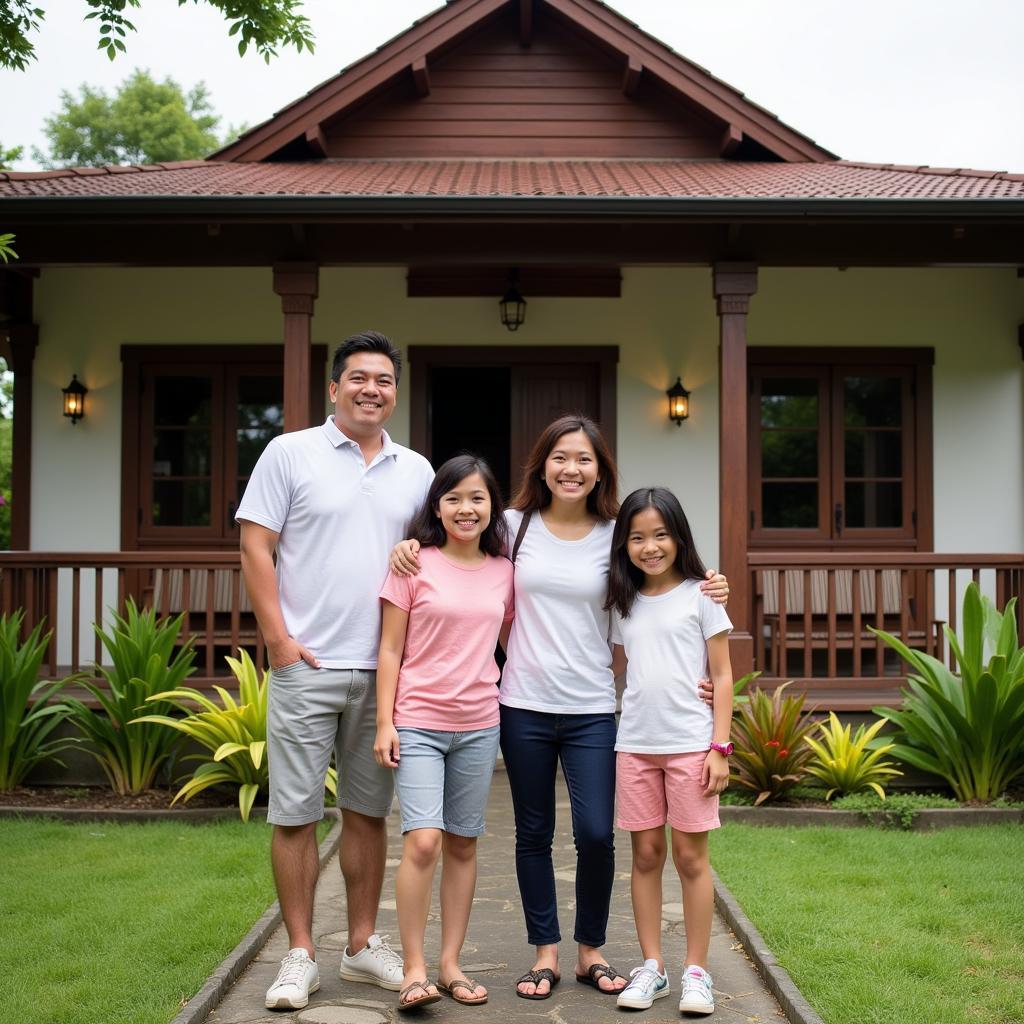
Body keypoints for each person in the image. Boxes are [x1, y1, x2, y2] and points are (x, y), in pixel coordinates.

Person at [390, 415, 729, 1000]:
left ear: (600, 469)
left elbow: (661, 585)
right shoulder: (511, 526)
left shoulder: (616, 532)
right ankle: (544, 952)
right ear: (541, 465)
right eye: (560, 458)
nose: (571, 469)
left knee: (597, 834)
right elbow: (459, 551)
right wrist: (408, 544)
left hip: (594, 707)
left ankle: (589, 951)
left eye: (584, 459)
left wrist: (709, 587)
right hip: (521, 703)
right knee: (533, 833)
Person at [237, 330, 434, 1011]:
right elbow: (256, 546)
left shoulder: (418, 470)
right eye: (358, 377)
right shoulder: (289, 453)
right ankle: (299, 954)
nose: (371, 389)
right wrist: (280, 641)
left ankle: (359, 946)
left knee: (367, 814)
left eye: (383, 379)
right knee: (294, 814)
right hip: (308, 664)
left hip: (384, 669)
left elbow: (445, 555)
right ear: (334, 387)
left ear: (395, 392)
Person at [374, 454, 514, 1011]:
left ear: (491, 508)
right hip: (419, 721)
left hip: (480, 723)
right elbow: (389, 648)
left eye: (477, 498)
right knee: (424, 840)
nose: (465, 508)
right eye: (454, 498)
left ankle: (451, 964)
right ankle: (414, 969)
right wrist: (385, 721)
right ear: (437, 505)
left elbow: (523, 640)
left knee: (462, 842)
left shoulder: (505, 571)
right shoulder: (413, 564)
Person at [606, 487, 733, 1016]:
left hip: (689, 746)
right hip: (634, 745)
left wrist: (719, 747)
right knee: (646, 856)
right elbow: (618, 666)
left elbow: (722, 675)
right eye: (637, 537)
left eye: (660, 535)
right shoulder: (622, 601)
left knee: (690, 858)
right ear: (624, 545)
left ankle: (696, 972)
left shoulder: (703, 594)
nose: (650, 546)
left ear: (679, 537)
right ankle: (652, 966)